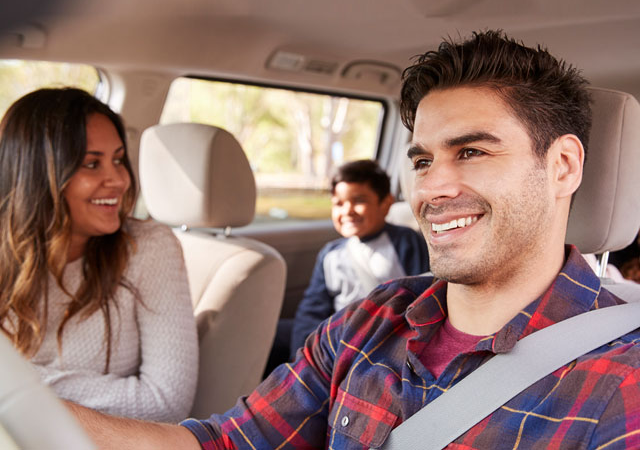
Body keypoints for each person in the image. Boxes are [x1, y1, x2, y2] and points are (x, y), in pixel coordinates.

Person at [69, 30, 640, 448]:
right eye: (421, 159)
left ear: (563, 166)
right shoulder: (369, 322)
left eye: (471, 151)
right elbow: (224, 444)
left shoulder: (620, 387)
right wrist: (32, 410)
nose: (431, 189)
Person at [0, 87, 198, 422]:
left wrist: (21, 386)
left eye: (118, 160)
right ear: (37, 176)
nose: (119, 179)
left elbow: (166, 402)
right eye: (92, 164)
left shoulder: (148, 247)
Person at [290, 159, 430, 356]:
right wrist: (303, 353)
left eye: (359, 201)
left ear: (386, 203)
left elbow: (424, 296)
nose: (347, 211)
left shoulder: (405, 241)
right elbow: (311, 310)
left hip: (387, 337)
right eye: (339, 203)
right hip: (338, 338)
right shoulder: (330, 254)